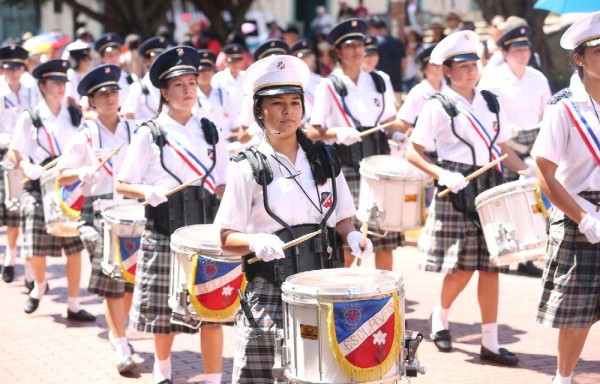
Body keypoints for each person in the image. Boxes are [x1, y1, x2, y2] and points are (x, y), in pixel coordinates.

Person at [216, 53, 373, 383]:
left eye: (294, 102)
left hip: (323, 283)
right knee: (263, 373)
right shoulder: (246, 165)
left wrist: (354, 236)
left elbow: (342, 218)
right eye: (277, 103)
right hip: (271, 285)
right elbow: (225, 237)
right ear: (260, 109)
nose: (288, 112)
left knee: (325, 373)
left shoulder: (324, 157)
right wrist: (255, 241)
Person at [406, 30, 525, 365]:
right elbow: (412, 152)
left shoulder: (490, 101)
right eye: (462, 66)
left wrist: (528, 170)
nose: (470, 71)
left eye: (474, 64)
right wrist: (441, 174)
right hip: (456, 183)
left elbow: (501, 148)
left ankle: (490, 341)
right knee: (460, 266)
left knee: (491, 265)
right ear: (446, 70)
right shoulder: (437, 105)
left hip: (489, 180)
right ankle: (440, 317)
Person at [115, 46, 228, 384]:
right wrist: (144, 192)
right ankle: (162, 369)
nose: (188, 90)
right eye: (179, 85)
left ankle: (213, 378)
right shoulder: (150, 132)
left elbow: (221, 183)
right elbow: (122, 182)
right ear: (164, 92)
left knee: (212, 311)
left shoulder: (210, 130)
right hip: (164, 228)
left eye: (192, 82)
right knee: (164, 310)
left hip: (204, 231)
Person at [532, 12, 600, 384]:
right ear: (578, 57)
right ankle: (563, 377)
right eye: (598, 50)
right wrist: (584, 218)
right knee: (577, 311)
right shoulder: (564, 107)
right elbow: (545, 174)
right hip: (577, 210)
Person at [56, 64, 138, 373]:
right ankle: (121, 343)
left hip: (133, 210)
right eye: (102, 94)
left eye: (113, 91)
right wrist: (80, 171)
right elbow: (62, 176)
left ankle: (120, 328)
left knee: (130, 279)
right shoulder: (85, 135)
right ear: (91, 100)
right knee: (112, 276)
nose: (109, 98)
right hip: (98, 213)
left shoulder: (136, 129)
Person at [309, 18, 403, 271]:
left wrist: (397, 136)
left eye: (360, 44)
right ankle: (343, 291)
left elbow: (389, 122)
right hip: (346, 163)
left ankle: (385, 293)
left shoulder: (380, 80)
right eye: (350, 46)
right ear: (338, 51)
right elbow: (313, 131)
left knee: (384, 238)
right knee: (349, 237)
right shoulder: (328, 85)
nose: (357, 50)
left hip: (378, 163)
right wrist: (336, 131)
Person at [8, 59, 95, 321]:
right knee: (35, 243)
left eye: (63, 82)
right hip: (38, 181)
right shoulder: (31, 116)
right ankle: (40, 284)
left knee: (73, 245)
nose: (61, 87)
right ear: (43, 85)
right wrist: (25, 165)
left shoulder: (73, 113)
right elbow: (15, 151)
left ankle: (74, 303)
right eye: (55, 82)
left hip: (67, 182)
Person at [0, 45, 39, 284]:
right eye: (9, 67)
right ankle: (11, 256)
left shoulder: (32, 90)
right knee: (13, 214)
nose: (14, 72)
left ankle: (30, 271)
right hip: (4, 153)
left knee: (29, 214)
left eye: (18, 67)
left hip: (28, 155)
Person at [396, 45, 446, 136]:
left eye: (441, 64)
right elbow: (401, 122)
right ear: (424, 69)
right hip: (428, 146)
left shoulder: (450, 88)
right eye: (434, 65)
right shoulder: (418, 92)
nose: (439, 68)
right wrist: (417, 132)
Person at [122, 36, 169, 121]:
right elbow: (127, 116)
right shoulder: (138, 87)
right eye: (156, 55)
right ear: (147, 60)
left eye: (163, 55)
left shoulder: (171, 83)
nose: (160, 59)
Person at [195, 49, 236, 140]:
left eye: (208, 70)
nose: (206, 73)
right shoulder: (192, 96)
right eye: (202, 71)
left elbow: (233, 119)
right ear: (196, 74)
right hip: (203, 142)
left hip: (226, 142)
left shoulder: (223, 93)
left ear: (213, 72)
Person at [211, 43, 246, 137]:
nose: (234, 64)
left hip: (246, 129)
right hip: (226, 130)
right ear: (226, 61)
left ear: (242, 61)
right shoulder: (218, 79)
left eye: (237, 60)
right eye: (231, 61)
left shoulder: (247, 76)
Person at [368, 17, 406, 98]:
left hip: (378, 87)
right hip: (396, 86)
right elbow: (404, 64)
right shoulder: (398, 42)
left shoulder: (373, 44)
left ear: (372, 28)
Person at [94, 33, 137, 104]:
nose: (113, 58)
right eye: (109, 55)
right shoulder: (96, 79)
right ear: (102, 58)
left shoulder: (130, 78)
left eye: (116, 54)